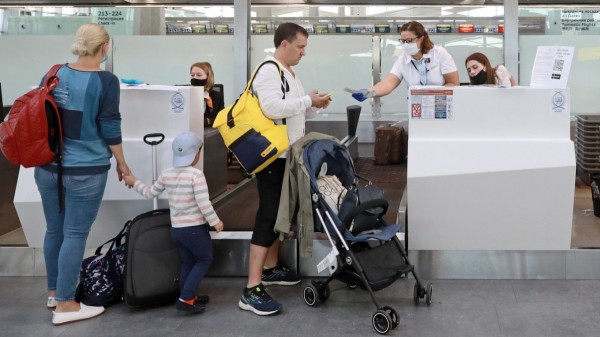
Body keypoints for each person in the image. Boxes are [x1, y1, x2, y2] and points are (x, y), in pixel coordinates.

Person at [36, 23, 131, 325]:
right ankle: (65, 304)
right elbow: (110, 126)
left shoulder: (53, 73)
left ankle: (54, 292)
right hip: (85, 170)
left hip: (48, 167)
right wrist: (122, 163)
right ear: (104, 48)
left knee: (55, 230)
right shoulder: (106, 81)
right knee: (75, 234)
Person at [239, 22, 331, 316]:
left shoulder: (290, 73)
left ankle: (271, 268)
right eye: (300, 47)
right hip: (272, 158)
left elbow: (294, 109)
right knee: (268, 215)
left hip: (289, 155)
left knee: (283, 212)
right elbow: (271, 108)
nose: (303, 53)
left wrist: (314, 105)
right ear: (284, 45)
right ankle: (251, 289)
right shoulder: (269, 69)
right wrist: (306, 101)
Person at [123, 131, 224, 314]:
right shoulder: (196, 175)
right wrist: (215, 221)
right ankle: (186, 298)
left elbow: (150, 193)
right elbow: (204, 203)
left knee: (187, 261)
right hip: (194, 229)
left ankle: (186, 294)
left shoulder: (167, 174)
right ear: (196, 153)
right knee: (204, 259)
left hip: (177, 229)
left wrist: (134, 181)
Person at [352, 20, 459, 102]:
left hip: (441, 105)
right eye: (403, 41)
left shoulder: (439, 53)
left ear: (421, 38)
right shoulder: (402, 60)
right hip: (416, 107)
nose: (406, 44)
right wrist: (369, 92)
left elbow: (453, 83)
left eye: (409, 40)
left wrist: (432, 95)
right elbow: (388, 83)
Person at [190, 62, 225, 127]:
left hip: (209, 133)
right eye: (192, 75)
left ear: (208, 77)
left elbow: (221, 120)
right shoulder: (187, 94)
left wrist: (207, 121)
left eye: (199, 75)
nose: (195, 78)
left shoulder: (217, 96)